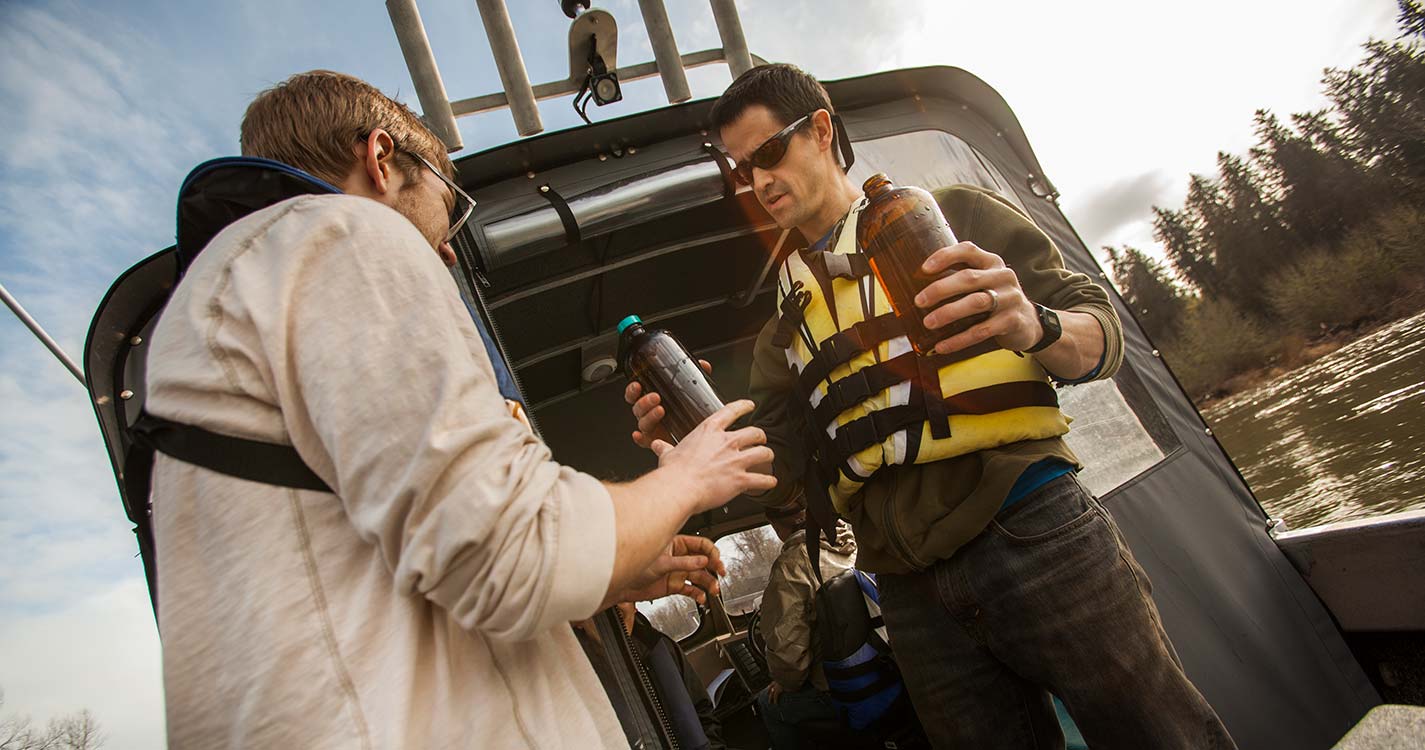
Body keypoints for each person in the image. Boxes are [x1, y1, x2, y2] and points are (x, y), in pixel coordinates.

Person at [144, 70, 775, 749]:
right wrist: (686, 477)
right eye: (451, 205)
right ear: (381, 160)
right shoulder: (342, 233)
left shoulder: (236, 297)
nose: (447, 248)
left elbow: (407, 579)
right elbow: (512, 550)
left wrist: (613, 578)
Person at [627, 63, 1235, 749]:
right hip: (904, 587)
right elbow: (788, 476)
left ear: (820, 130)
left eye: (769, 153)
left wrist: (1037, 324)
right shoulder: (781, 333)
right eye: (742, 171)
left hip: (1033, 527)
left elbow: (1104, 336)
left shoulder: (956, 215)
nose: (758, 182)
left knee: (1163, 738)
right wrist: (694, 448)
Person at [754, 508, 856, 750]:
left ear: (773, 522)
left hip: (836, 690)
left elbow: (788, 659)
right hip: (882, 669)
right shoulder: (852, 543)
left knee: (766, 703)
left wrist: (784, 683)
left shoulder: (791, 566)